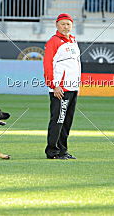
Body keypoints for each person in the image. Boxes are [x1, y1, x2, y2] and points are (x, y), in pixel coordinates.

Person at [43, 13, 81, 160]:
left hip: (73, 88)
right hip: (60, 89)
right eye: (63, 24)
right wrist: (54, 85)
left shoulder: (73, 41)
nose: (66, 27)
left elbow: (75, 65)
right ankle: (52, 151)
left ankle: (63, 151)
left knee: (67, 121)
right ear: (57, 25)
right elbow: (47, 65)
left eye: (68, 24)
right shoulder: (53, 41)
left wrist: (77, 85)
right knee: (58, 120)